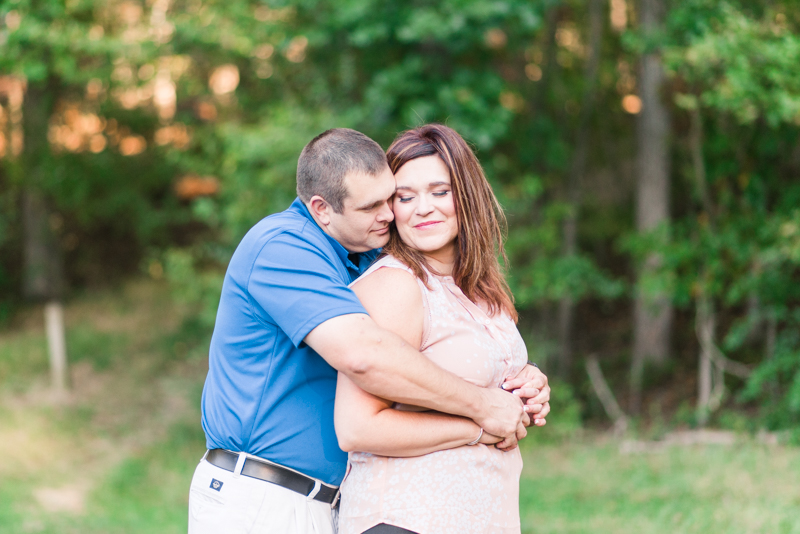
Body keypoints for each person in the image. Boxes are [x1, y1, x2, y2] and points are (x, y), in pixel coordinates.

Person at [187, 128, 550, 534]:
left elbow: (446, 339)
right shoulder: (282, 247)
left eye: (390, 198)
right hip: (262, 497)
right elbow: (364, 354)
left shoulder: (362, 254)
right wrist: (483, 410)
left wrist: (519, 379)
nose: (392, 214)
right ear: (322, 209)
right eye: (378, 204)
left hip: (332, 500)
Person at [335, 124, 537, 534]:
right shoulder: (398, 285)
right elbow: (357, 427)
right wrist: (478, 427)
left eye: (439, 192)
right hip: (405, 519)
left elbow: (483, 379)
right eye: (404, 197)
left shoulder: (479, 289)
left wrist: (528, 387)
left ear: (466, 195)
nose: (422, 208)